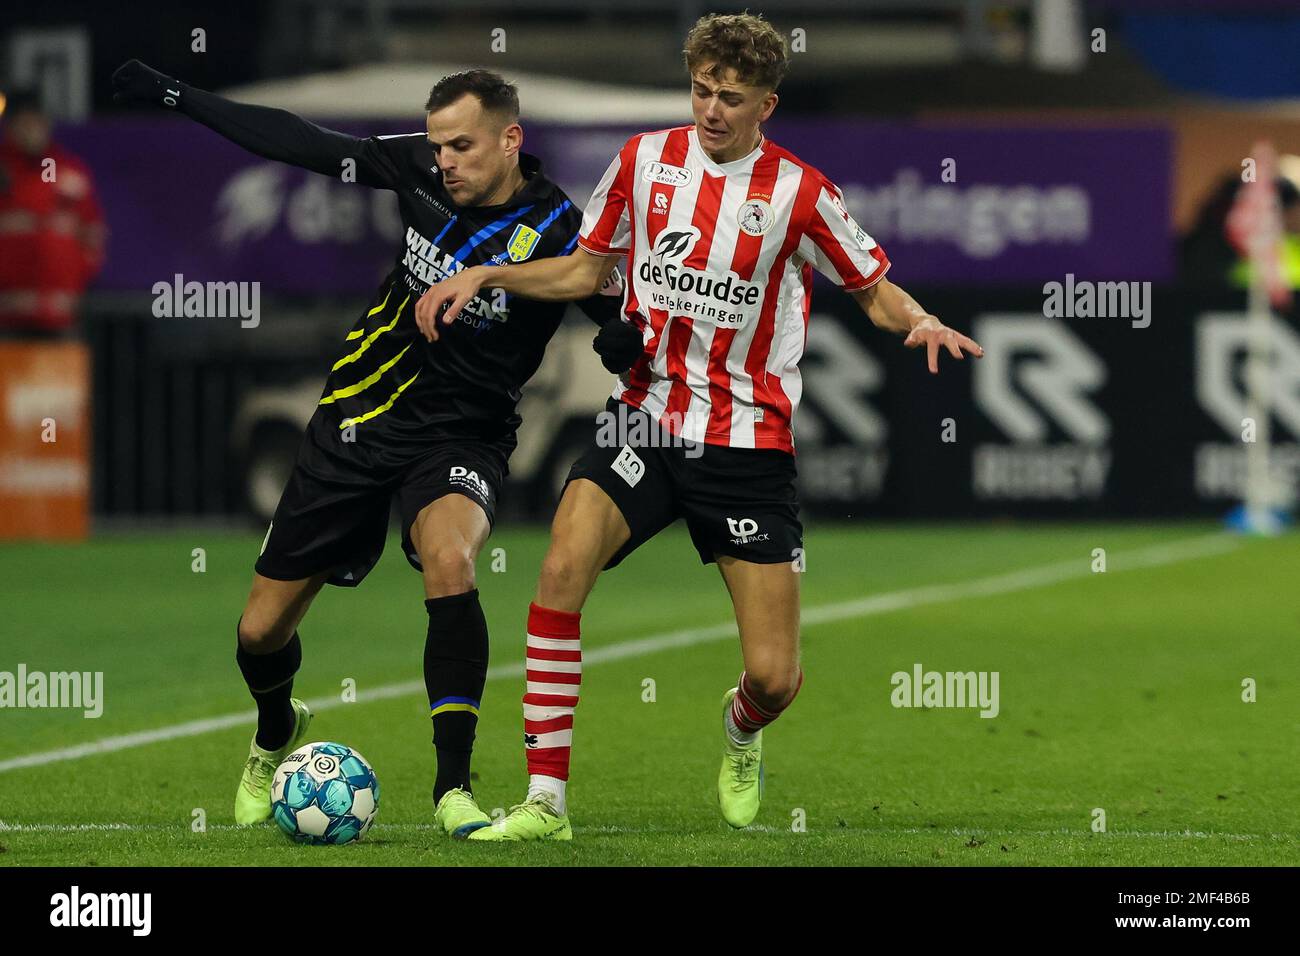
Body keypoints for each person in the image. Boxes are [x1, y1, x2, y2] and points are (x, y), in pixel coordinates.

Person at [414, 12, 983, 841]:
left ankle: (743, 728)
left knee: (776, 676)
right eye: (703, 90)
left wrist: (920, 318)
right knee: (561, 571)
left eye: (732, 97)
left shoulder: (801, 194)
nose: (712, 109)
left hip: (745, 444)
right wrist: (488, 271)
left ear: (767, 106)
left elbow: (872, 288)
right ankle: (546, 803)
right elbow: (586, 268)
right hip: (644, 419)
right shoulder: (644, 163)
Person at [110, 60, 641, 838]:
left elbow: (615, 321)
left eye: (462, 145)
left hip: (463, 436)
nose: (445, 161)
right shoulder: (416, 169)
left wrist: (629, 342)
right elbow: (300, 143)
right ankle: (273, 730)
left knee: (452, 560)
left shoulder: (560, 228)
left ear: (510, 140)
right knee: (259, 634)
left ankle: (453, 789)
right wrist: (177, 94)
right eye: (438, 146)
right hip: (352, 424)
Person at [0, 88, 105, 336]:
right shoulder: (3, 171)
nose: (31, 130)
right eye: (23, 123)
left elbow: (92, 233)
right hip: (7, 317)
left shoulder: (70, 171)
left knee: (59, 376)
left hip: (61, 315)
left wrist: (77, 280)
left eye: (36, 121)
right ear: (10, 127)